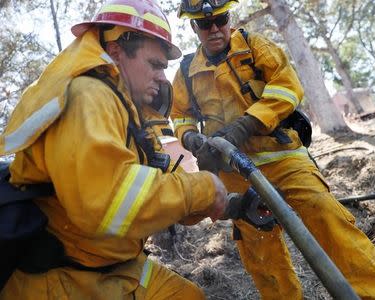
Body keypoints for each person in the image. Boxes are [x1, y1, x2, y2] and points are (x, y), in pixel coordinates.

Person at [171, 0, 375, 299]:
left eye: (221, 19)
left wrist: (248, 124)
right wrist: (191, 138)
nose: (215, 28)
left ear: (229, 17)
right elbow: (180, 115)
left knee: (327, 218)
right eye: (205, 24)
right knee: (260, 251)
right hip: (234, 174)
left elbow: (287, 88)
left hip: (283, 159)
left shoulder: (256, 47)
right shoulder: (186, 71)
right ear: (194, 26)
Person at [0, 0, 229, 299]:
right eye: (155, 64)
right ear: (118, 51)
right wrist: (201, 189)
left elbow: (151, 194)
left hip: (116, 266)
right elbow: (111, 203)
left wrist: (223, 203)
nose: (162, 77)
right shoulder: (88, 97)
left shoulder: (126, 109)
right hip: (68, 280)